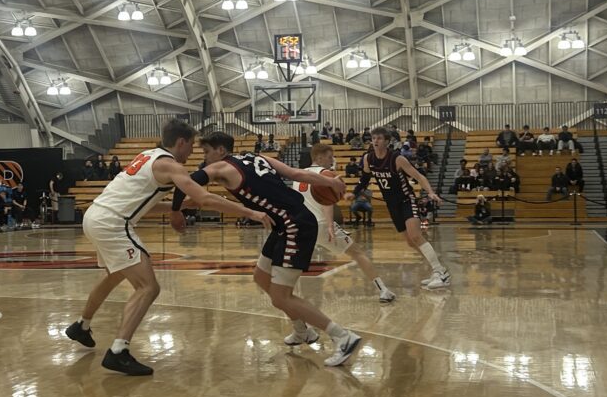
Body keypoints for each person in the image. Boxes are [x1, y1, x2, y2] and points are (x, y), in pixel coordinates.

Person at [65, 120, 273, 376]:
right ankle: (118, 351)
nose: (191, 154)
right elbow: (205, 197)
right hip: (112, 223)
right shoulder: (170, 165)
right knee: (148, 287)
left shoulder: (146, 156)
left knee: (115, 274)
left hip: (96, 216)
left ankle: (81, 326)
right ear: (181, 142)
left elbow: (143, 205)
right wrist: (250, 212)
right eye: (190, 148)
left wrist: (179, 208)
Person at [169, 130, 362, 368]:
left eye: (207, 152)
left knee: (282, 295)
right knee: (261, 278)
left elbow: (184, 183)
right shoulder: (257, 157)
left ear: (220, 150)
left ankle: (343, 337)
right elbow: (295, 173)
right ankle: (303, 331)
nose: (205, 158)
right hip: (285, 224)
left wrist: (175, 210)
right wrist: (330, 181)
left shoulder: (221, 168)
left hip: (295, 226)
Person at [291, 144, 395, 302]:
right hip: (321, 225)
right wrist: (331, 225)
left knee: (296, 263)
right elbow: (326, 202)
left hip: (302, 226)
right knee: (358, 253)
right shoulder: (326, 174)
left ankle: (289, 297)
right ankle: (383, 290)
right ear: (319, 158)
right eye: (329, 157)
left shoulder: (299, 177)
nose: (332, 160)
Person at [359, 127, 449, 290]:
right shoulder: (368, 159)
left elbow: (419, 176)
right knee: (410, 241)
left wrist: (430, 193)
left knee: (415, 235)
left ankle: (440, 272)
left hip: (407, 200)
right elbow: (364, 179)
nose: (376, 141)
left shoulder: (397, 159)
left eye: (379, 138)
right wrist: (354, 193)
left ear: (387, 141)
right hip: (391, 204)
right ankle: (438, 268)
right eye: (373, 138)